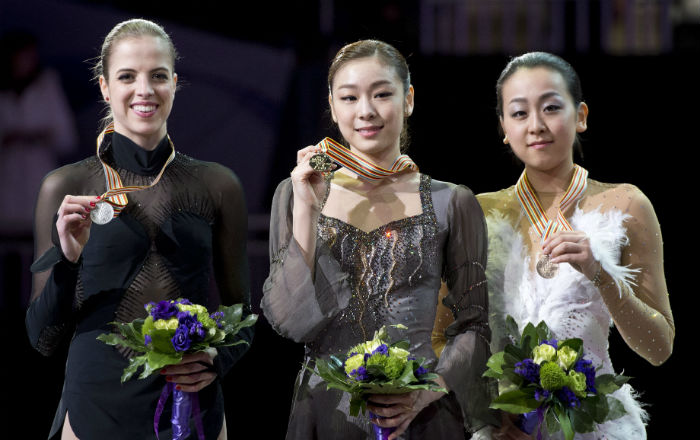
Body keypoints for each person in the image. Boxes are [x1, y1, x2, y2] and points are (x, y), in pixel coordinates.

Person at [25, 19, 253, 439]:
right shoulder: (66, 186)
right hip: (96, 408)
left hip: (191, 406)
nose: (144, 90)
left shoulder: (217, 184)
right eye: (127, 76)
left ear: (174, 84)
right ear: (105, 87)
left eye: (158, 76)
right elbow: (42, 337)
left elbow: (243, 313)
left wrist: (215, 361)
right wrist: (67, 259)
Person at [262, 39, 498, 440]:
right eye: (350, 97)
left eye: (382, 94)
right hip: (323, 415)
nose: (366, 111)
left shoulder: (452, 201)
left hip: (420, 416)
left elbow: (474, 326)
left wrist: (428, 391)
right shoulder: (296, 192)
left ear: (407, 99)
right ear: (333, 106)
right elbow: (289, 321)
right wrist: (306, 209)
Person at [435, 52, 674, 439]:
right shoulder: (476, 212)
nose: (536, 125)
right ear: (503, 127)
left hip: (596, 427)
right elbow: (439, 336)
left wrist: (601, 276)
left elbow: (659, 347)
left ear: (580, 116)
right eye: (518, 113)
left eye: (550, 107)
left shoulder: (626, 204)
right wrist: (484, 411)